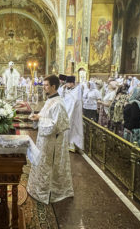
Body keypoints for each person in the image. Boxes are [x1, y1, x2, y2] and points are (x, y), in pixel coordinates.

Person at [27, 75, 73, 204]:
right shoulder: (50, 100)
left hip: (52, 141)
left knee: (48, 164)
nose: (44, 88)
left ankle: (48, 190)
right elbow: (45, 115)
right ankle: (39, 187)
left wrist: (39, 119)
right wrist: (38, 116)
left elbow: (56, 125)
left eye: (46, 85)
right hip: (44, 139)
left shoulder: (58, 103)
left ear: (53, 86)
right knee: (42, 162)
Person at [62, 76, 84, 151]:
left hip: (74, 112)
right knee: (68, 127)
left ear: (72, 83)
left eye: (67, 83)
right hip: (67, 110)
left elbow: (75, 101)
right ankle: (67, 142)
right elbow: (64, 98)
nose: (66, 84)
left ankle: (73, 144)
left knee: (74, 128)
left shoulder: (77, 90)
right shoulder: (68, 89)